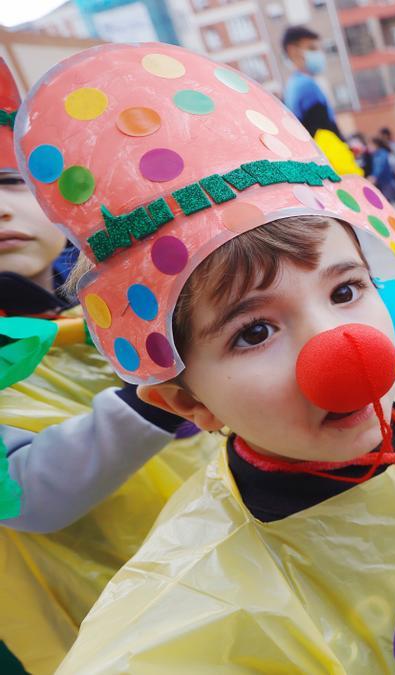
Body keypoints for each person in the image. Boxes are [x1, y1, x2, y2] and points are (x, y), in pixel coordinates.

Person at [15, 42, 395, 672]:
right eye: (253, 332)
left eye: (344, 290)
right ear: (186, 402)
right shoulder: (193, 612)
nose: (340, 348)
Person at [0, 59, 218, 673]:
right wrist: (151, 400)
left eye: (11, 183)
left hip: (197, 572)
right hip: (90, 621)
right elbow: (26, 495)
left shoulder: (110, 302)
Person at [283, 25, 342, 140]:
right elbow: (325, 130)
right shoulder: (306, 85)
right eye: (312, 48)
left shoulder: (292, 85)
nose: (318, 54)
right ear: (293, 51)